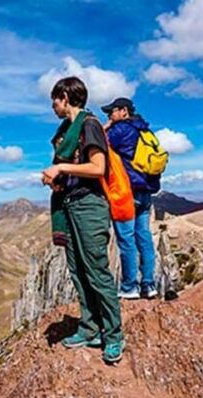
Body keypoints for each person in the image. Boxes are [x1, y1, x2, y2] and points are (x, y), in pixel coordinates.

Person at [42, 76, 125, 364]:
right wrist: (57, 179)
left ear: (66, 96)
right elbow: (76, 170)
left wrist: (61, 166)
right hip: (70, 204)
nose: (53, 105)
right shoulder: (66, 130)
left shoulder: (88, 125)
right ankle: (90, 328)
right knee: (77, 270)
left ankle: (113, 335)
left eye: (55, 98)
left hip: (89, 206)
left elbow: (98, 167)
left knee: (97, 271)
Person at [101, 97, 161, 299]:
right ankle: (149, 285)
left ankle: (129, 288)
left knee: (126, 241)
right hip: (146, 194)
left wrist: (107, 126)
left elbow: (95, 142)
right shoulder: (146, 131)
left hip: (127, 193)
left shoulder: (120, 130)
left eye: (112, 111)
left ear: (124, 111)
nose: (109, 115)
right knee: (144, 239)